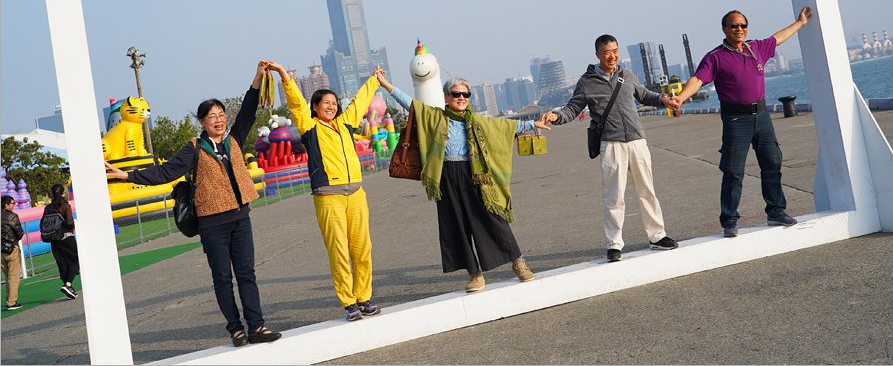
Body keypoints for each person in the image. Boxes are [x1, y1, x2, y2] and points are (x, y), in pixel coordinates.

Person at [107, 62, 281, 347]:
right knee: (223, 279)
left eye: (222, 114)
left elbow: (249, 108)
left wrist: (258, 77)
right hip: (212, 223)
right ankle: (236, 330)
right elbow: (164, 173)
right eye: (212, 116)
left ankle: (256, 326)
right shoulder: (194, 147)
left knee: (247, 274)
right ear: (201, 121)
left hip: (240, 218)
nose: (219, 120)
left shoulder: (234, 138)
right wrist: (127, 174)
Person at [377, 72, 548, 293]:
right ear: (446, 97)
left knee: (493, 217)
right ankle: (474, 274)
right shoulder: (434, 117)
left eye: (465, 94)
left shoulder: (477, 121)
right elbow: (411, 104)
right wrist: (385, 85)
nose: (461, 98)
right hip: (446, 176)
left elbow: (505, 128)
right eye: (456, 94)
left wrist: (534, 125)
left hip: (475, 174)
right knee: (457, 224)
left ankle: (518, 262)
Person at [675, 7, 813, 238]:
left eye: (743, 25)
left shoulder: (756, 47)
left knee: (772, 164)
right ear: (724, 29)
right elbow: (699, 79)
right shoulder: (715, 57)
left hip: (762, 117)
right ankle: (730, 221)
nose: (739, 29)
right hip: (736, 120)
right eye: (734, 26)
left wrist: (799, 23)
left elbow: (778, 38)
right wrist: (681, 97)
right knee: (733, 171)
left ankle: (776, 211)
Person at [544, 34, 681, 263]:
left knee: (647, 190)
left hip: (637, 141)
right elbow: (573, 108)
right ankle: (614, 244)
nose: (612, 55)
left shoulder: (626, 74)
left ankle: (657, 236)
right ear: (597, 54)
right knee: (614, 197)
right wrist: (556, 116)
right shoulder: (587, 82)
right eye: (607, 52)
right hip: (611, 145)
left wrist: (664, 100)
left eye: (615, 51)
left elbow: (645, 95)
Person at [268, 61, 384, 322]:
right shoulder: (310, 127)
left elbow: (359, 102)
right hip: (328, 196)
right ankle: (349, 303)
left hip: (356, 193)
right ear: (315, 108)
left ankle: (364, 298)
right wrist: (285, 75)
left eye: (334, 103)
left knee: (362, 248)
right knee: (339, 250)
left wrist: (374, 79)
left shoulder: (345, 124)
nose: (331, 107)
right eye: (325, 103)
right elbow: (296, 103)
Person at [44, 183, 80, 299]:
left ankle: (69, 288)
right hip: (66, 236)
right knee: (76, 258)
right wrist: (73, 225)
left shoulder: (48, 208)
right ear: (63, 192)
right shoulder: (65, 206)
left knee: (62, 263)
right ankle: (68, 284)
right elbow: (69, 223)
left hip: (54, 239)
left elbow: (42, 224)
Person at [2, 195, 24, 310]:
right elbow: (19, 232)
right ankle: (11, 302)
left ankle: (8, 299)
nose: (13, 205)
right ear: (6, 205)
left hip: (1, 251)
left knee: (7, 276)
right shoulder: (12, 216)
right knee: (14, 276)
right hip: (11, 248)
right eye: (12, 203)